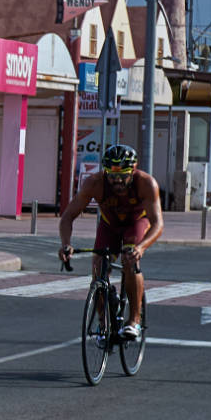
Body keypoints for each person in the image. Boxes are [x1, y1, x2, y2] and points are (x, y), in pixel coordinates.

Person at [57, 143, 164, 341]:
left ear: (133, 170)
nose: (117, 181)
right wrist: (66, 244)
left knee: (130, 260)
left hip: (136, 222)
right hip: (110, 224)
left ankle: (134, 321)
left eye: (123, 175)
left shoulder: (146, 183)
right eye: (112, 175)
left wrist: (141, 248)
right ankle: (103, 324)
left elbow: (157, 224)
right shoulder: (94, 183)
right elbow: (67, 217)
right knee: (98, 270)